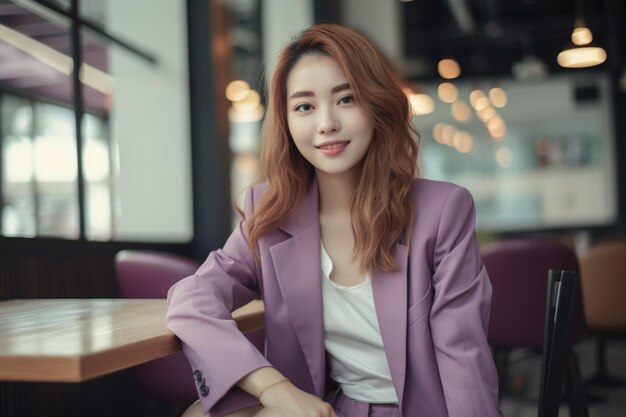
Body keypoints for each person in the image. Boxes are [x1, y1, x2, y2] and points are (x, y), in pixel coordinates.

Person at [167, 23, 501, 417]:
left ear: (376, 105)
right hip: (327, 409)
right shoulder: (271, 211)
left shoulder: (442, 211)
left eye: (346, 99)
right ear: (287, 122)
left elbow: (463, 357)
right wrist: (274, 388)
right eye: (305, 106)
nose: (326, 123)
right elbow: (191, 300)